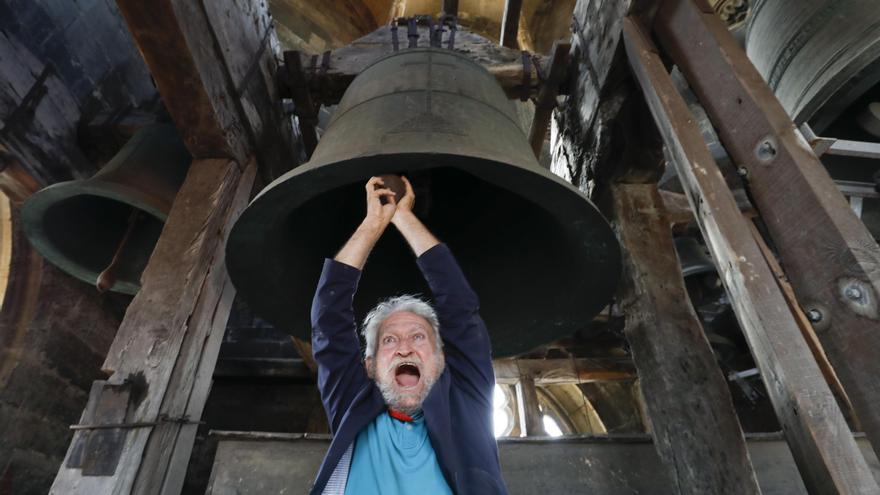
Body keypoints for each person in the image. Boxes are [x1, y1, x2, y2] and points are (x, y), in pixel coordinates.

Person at [309, 176, 508, 495]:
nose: (404, 349)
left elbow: (459, 307)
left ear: (441, 359)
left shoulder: (466, 405)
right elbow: (328, 317)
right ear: (370, 365)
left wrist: (402, 215)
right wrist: (374, 223)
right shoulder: (351, 406)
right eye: (389, 340)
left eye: (418, 337)